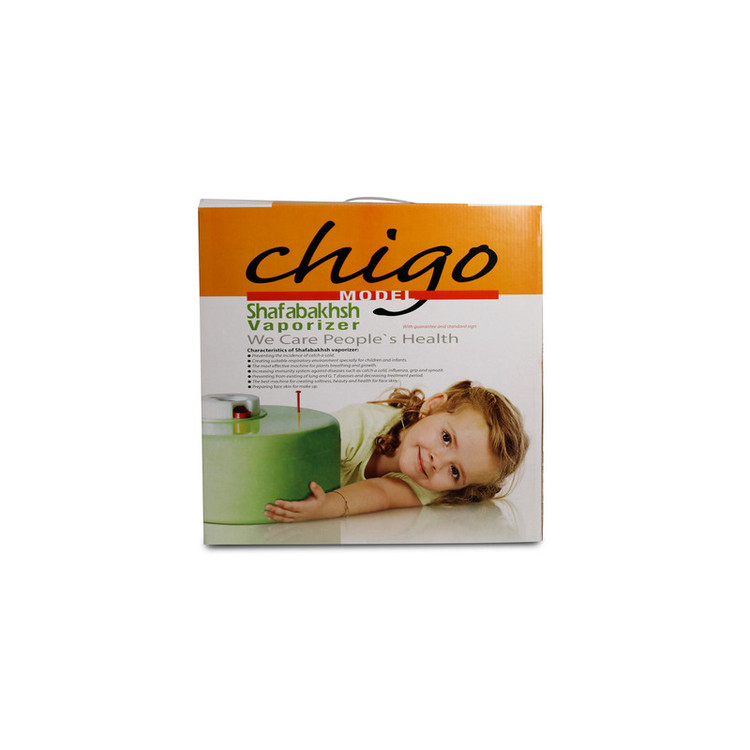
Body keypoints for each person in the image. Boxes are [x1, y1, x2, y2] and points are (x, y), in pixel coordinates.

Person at [264, 380, 529, 523]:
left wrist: (325, 507)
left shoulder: (432, 486)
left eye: (455, 471)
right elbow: (287, 454)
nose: (438, 462)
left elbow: (381, 494)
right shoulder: (358, 424)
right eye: (446, 438)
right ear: (432, 406)